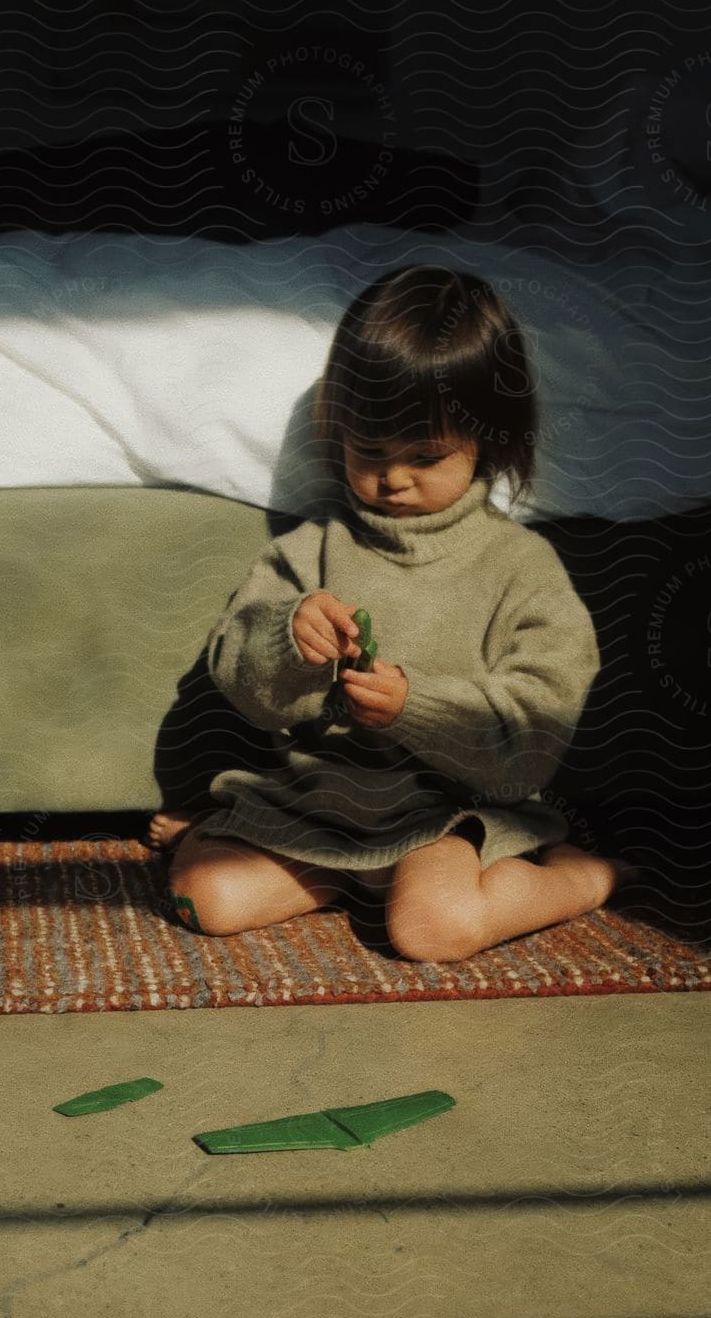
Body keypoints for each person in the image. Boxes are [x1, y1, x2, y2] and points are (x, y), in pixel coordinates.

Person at [147, 265, 639, 962]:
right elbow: (235, 671)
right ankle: (347, 877)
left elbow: (538, 726)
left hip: (444, 816)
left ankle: (584, 876)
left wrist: (414, 706)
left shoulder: (520, 568)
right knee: (208, 899)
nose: (394, 477)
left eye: (426, 455)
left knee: (432, 931)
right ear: (337, 430)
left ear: (488, 440)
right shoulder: (308, 552)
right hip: (309, 807)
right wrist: (289, 639)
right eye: (370, 451)